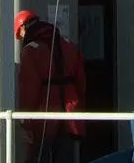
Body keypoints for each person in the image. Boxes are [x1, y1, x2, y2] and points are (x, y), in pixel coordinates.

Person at [16, 10, 86, 163]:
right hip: (70, 116)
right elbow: (81, 84)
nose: (21, 40)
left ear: (23, 28)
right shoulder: (69, 46)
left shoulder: (30, 52)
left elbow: (28, 91)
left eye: (19, 35)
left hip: (43, 119)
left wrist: (25, 122)